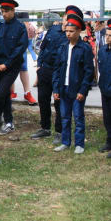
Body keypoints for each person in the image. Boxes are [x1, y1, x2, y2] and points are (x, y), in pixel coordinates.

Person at [52, 13, 94, 154]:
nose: (68, 34)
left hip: (77, 90)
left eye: (71, 31)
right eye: (67, 31)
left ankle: (79, 144)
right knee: (64, 117)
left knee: (78, 117)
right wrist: (56, 88)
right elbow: (57, 69)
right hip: (63, 89)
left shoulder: (85, 48)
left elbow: (89, 72)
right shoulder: (63, 47)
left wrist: (83, 91)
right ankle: (65, 142)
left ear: (78, 31)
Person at [31, 12, 68, 143]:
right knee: (43, 99)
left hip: (59, 72)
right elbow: (43, 48)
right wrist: (39, 65)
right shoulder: (53, 30)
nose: (66, 23)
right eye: (65, 19)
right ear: (62, 20)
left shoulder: (69, 36)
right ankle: (45, 128)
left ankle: (59, 131)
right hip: (45, 70)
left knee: (58, 103)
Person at [0, 0, 28, 135]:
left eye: (7, 11)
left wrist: (6, 64)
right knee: (5, 94)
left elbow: (20, 48)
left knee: (0, 93)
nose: (4, 14)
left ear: (13, 11)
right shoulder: (1, 27)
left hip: (12, 66)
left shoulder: (20, 28)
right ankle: (9, 122)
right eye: (2, 12)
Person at [10, 12, 38, 105]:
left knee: (23, 68)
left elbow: (25, 27)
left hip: (20, 44)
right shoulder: (9, 10)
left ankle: (27, 93)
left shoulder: (23, 12)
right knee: (10, 69)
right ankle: (12, 92)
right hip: (10, 44)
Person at [98, 19, 111, 158]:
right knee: (107, 118)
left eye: (110, 35)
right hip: (105, 89)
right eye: (106, 35)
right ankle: (109, 141)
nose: (107, 37)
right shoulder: (103, 50)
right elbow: (101, 69)